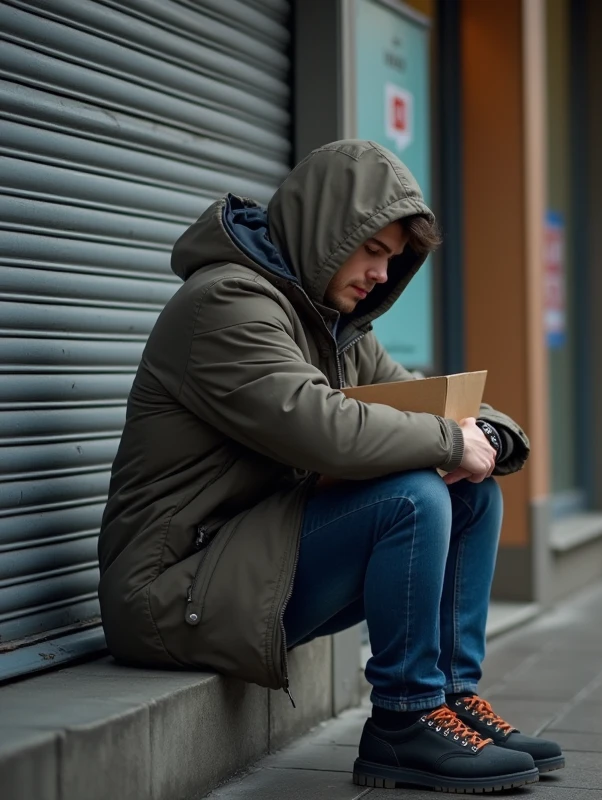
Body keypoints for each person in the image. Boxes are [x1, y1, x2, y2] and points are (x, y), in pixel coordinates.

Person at [97, 140, 562, 794]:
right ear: (326, 230)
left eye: (393, 260)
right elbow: (326, 433)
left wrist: (487, 435)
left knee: (468, 494)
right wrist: (448, 440)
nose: (381, 274)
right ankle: (405, 720)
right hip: (174, 591)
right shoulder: (226, 305)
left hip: (252, 560)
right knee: (412, 495)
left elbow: (439, 403)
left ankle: (451, 701)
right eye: (373, 251)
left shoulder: (336, 327)